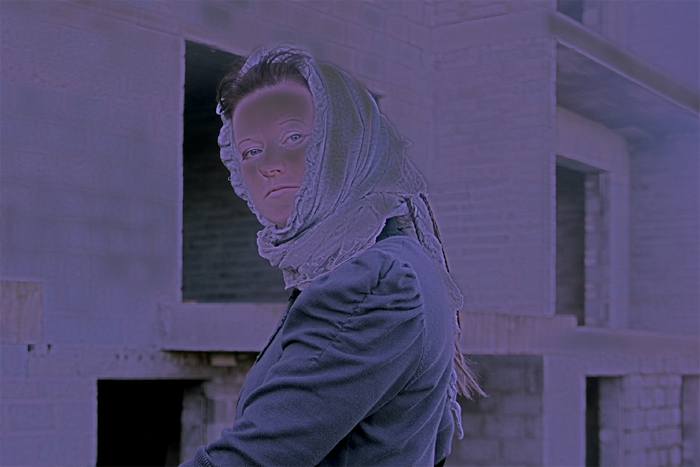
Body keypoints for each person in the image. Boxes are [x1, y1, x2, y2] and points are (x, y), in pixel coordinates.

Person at [181, 45, 484, 467]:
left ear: (346, 142)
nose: (268, 165)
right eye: (250, 151)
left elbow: (252, 459)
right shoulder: (383, 262)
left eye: (293, 138)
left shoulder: (377, 282)